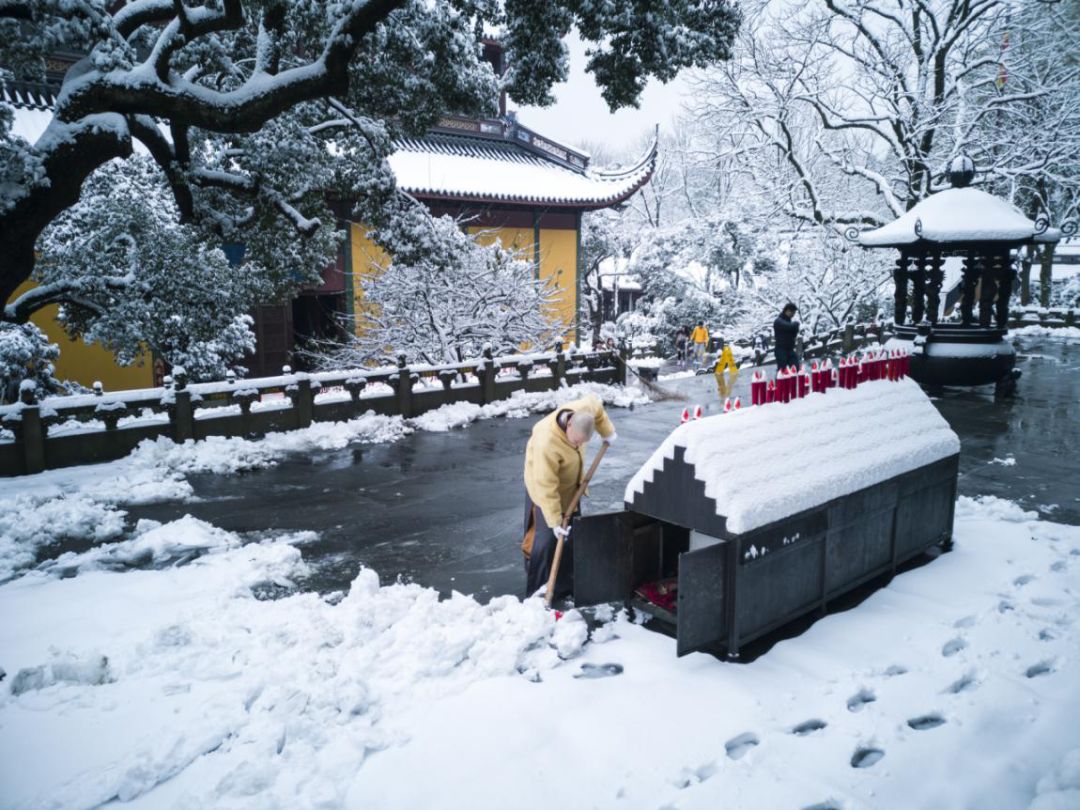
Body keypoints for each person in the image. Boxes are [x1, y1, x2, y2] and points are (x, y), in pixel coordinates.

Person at [522, 393, 616, 599]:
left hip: (572, 487)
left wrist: (607, 432)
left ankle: (565, 586)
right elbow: (546, 486)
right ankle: (537, 591)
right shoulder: (546, 443)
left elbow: (597, 408)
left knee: (570, 538)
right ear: (569, 425)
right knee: (546, 541)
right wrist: (555, 521)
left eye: (581, 443)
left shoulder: (584, 409)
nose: (576, 445)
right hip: (543, 489)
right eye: (575, 441)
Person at [774, 303, 800, 370]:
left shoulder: (789, 322)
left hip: (790, 349)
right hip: (781, 350)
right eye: (793, 312)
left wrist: (795, 327)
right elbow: (788, 326)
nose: (793, 315)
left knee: (796, 367)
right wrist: (796, 324)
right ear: (788, 311)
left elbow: (794, 334)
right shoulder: (778, 321)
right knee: (782, 370)